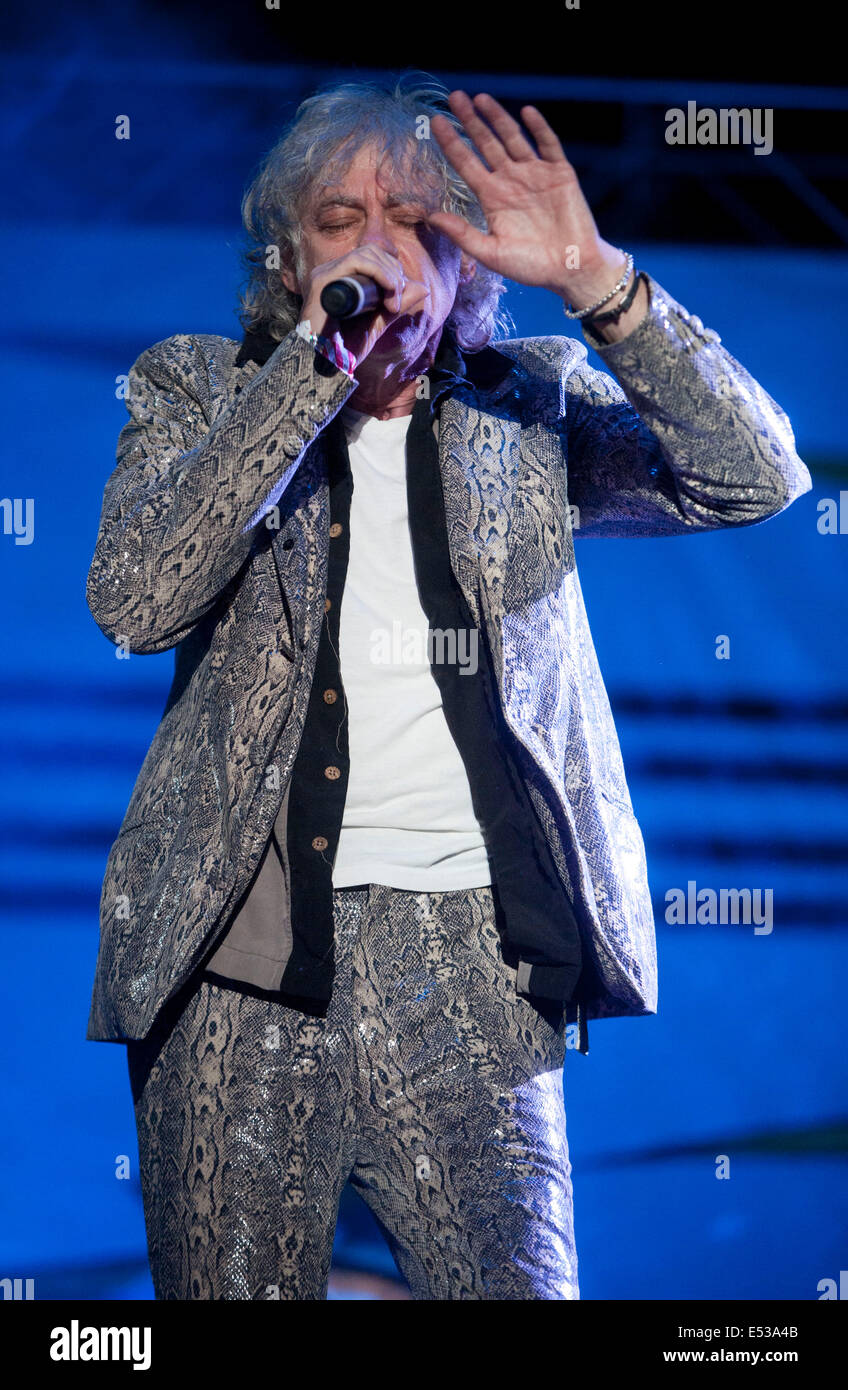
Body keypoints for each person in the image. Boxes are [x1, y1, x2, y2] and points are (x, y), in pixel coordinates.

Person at [85, 74, 811, 1300]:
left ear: (463, 261)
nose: (373, 246)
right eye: (338, 219)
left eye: (412, 220)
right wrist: (311, 374)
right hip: (234, 958)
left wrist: (594, 278)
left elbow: (752, 477)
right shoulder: (197, 389)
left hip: (472, 962)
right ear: (287, 259)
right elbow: (137, 598)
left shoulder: (528, 405)